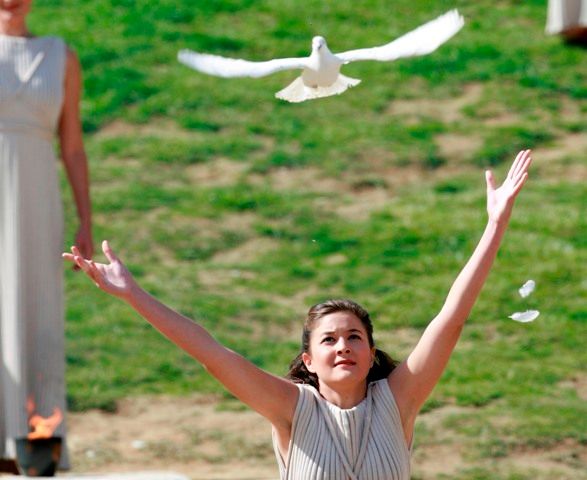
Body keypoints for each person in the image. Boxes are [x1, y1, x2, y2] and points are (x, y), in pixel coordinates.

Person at [64, 151, 532, 479]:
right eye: (328, 340)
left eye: (354, 337)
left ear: (371, 354)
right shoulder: (291, 409)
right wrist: (134, 294)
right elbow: (209, 351)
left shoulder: (399, 400)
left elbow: (450, 320)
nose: (343, 345)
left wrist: (495, 225)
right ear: (307, 360)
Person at [0, 0, 93, 472]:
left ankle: (38, 444)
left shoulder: (61, 55)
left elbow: (72, 145)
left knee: (37, 313)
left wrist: (85, 220)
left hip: (36, 203)